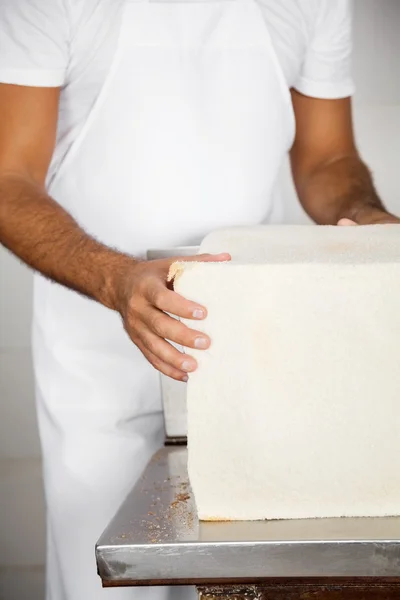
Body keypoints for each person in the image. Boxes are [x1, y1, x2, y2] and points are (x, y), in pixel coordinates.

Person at [0, 0, 398, 598]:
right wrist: (116, 281)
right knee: (108, 583)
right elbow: (9, 178)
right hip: (97, 357)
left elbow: (328, 158)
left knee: (245, 577)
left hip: (247, 345)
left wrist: (368, 221)